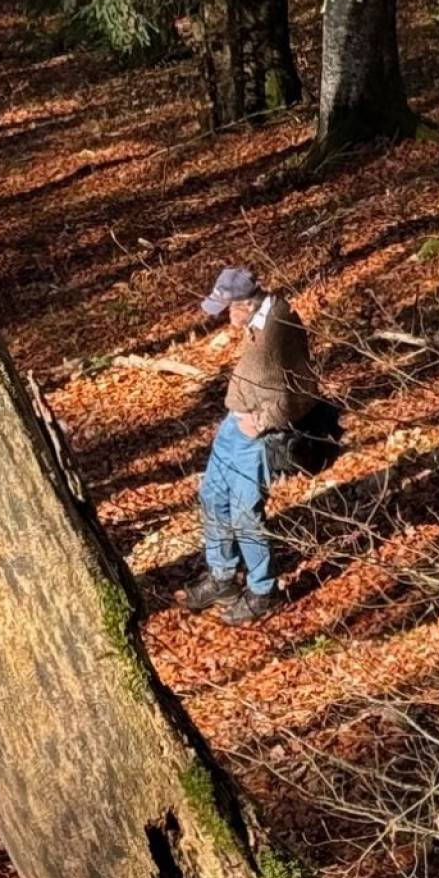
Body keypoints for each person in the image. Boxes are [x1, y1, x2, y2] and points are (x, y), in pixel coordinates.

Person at [176, 267, 319, 625]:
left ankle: (263, 591)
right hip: (233, 423)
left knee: (244, 513)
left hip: (255, 434)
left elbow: (303, 389)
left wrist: (263, 421)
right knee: (212, 496)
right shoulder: (255, 322)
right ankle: (222, 578)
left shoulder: (280, 328)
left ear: (246, 303)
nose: (227, 317)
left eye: (229, 308)